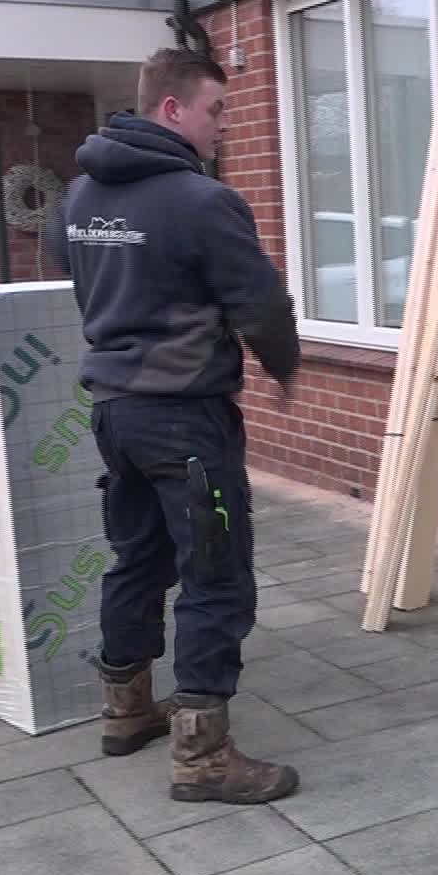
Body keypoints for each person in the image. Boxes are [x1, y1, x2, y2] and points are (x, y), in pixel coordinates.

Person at [44, 47, 301, 805]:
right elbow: (262, 304)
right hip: (185, 417)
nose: (224, 125)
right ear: (172, 109)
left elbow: (63, 263)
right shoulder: (201, 201)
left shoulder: (79, 196)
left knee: (138, 557)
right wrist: (283, 365)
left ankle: (125, 711)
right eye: (216, 109)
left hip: (114, 413)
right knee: (215, 572)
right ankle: (203, 756)